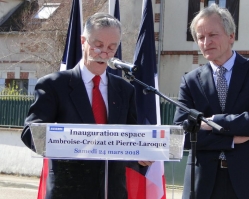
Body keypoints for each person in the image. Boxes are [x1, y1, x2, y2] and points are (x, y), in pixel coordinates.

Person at [21, 12, 152, 199]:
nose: (105, 53)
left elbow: (128, 138)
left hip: (112, 191)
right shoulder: (53, 85)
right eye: (98, 46)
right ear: (83, 41)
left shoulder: (125, 89)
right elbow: (30, 133)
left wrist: (141, 153)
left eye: (112, 47)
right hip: (68, 190)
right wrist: (68, 140)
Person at [173, 4, 249, 199]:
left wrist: (213, 122)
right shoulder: (190, 81)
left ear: (231, 36)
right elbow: (182, 134)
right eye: (200, 37)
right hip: (203, 182)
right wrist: (231, 138)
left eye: (213, 34)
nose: (206, 42)